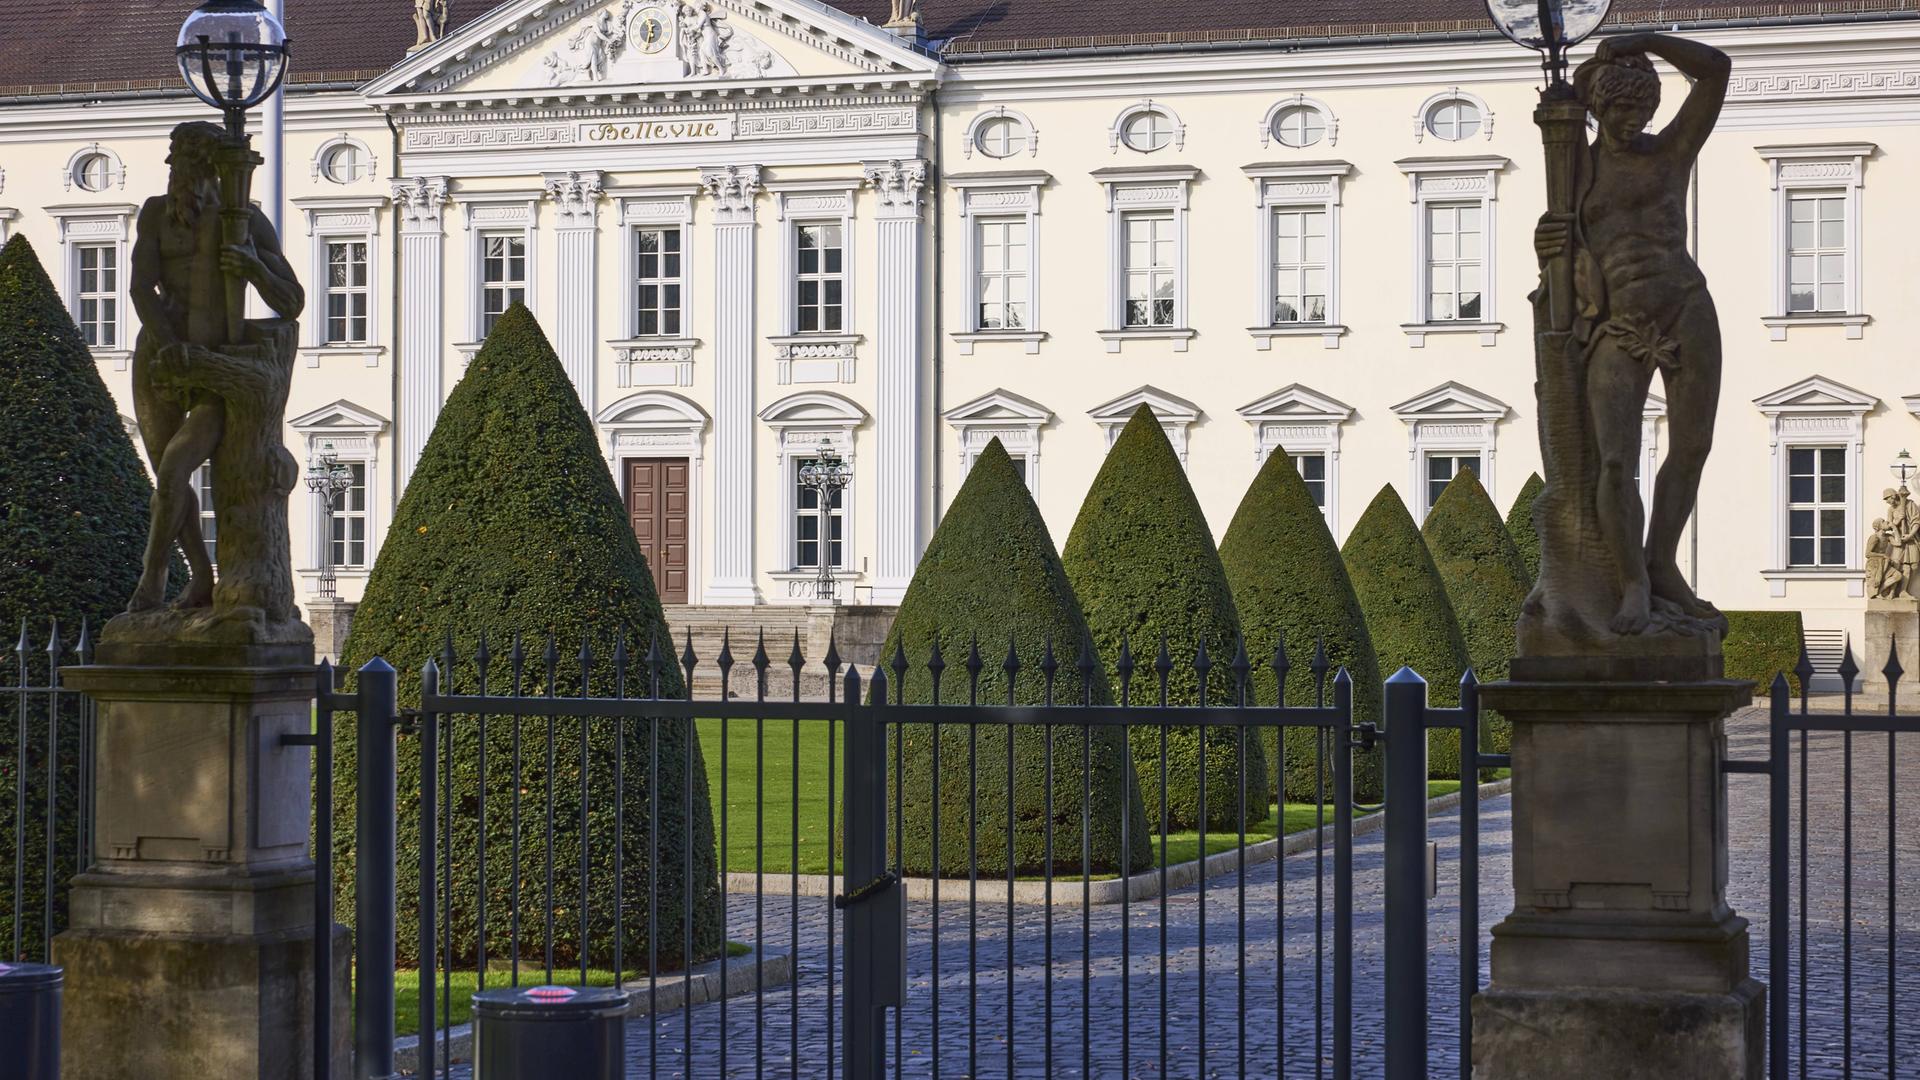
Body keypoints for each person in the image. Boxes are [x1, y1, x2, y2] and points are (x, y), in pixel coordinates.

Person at [1533, 33, 1731, 634]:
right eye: (1621, 112)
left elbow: (1717, 69)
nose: (1633, 123)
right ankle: (1633, 584)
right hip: (1617, 322)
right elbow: (1560, 246)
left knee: (1692, 445)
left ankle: (1662, 560)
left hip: (1686, 305)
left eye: (1642, 112)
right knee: (1615, 462)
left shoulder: (1672, 150)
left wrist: (1644, 39)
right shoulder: (1577, 169)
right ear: (1598, 109)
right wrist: (1544, 244)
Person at [124, 122, 304, 613]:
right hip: (161, 356)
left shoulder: (243, 219)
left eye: (197, 162)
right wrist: (168, 344)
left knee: (174, 470)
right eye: (182, 160)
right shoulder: (158, 215)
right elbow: (141, 288)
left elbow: (291, 301)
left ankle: (153, 578)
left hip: (217, 364)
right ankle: (201, 575)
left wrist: (252, 266)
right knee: (167, 472)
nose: (186, 171)